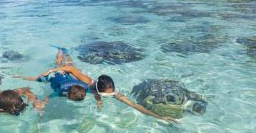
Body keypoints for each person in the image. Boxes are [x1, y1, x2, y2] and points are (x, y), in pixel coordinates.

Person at [17, 48, 178, 123]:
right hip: (63, 75)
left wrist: (158, 116)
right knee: (66, 66)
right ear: (99, 89)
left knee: (70, 66)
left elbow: (134, 105)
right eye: (106, 94)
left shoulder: (108, 90)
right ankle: (60, 53)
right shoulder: (88, 82)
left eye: (111, 93)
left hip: (76, 82)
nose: (111, 95)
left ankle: (66, 55)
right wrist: (52, 71)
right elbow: (71, 70)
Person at [14, 47, 90, 101]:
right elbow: (48, 97)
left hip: (64, 74)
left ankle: (64, 52)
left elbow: (92, 91)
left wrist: (98, 100)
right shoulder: (60, 90)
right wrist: (44, 103)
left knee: (68, 65)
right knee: (36, 79)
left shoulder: (83, 87)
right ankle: (20, 76)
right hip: (52, 75)